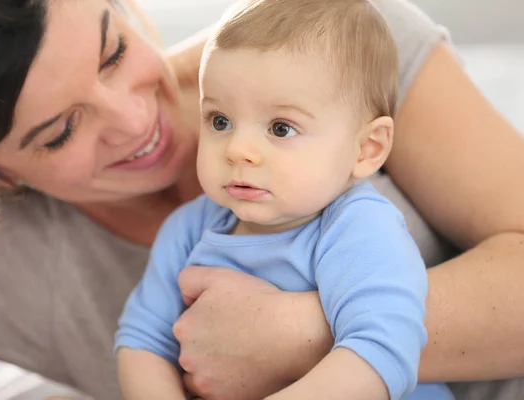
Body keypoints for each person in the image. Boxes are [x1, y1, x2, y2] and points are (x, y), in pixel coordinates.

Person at [0, 0, 523, 399]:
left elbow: (382, 335)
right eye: (60, 132)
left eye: (113, 52)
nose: (136, 121)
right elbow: (142, 335)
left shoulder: (344, 42)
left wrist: (290, 333)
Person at [116, 1, 453, 399]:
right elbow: (142, 341)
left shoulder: (359, 227)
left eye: (280, 128)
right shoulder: (188, 230)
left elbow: (381, 351)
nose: (238, 149)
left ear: (366, 150)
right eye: (220, 120)